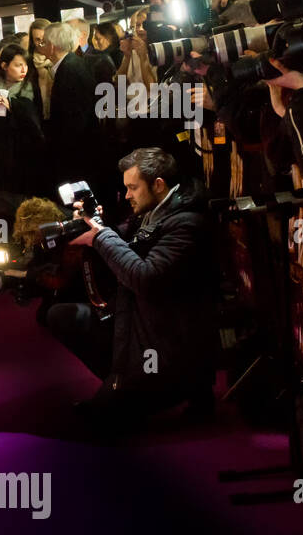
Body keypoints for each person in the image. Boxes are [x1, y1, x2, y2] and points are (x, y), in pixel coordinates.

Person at [56, 147, 217, 420]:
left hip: (167, 344)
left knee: (95, 426)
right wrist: (97, 225)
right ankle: (127, 384)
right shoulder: (154, 209)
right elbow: (128, 245)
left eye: (132, 187)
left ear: (158, 184)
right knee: (61, 315)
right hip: (138, 326)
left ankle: (170, 388)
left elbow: (145, 278)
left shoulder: (187, 222)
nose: (127, 195)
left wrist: (101, 237)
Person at [0, 44, 48, 226]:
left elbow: (36, 126)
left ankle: (27, 248)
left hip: (23, 160)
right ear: (4, 66)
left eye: (25, 65)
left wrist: (14, 106)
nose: (23, 69)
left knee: (25, 213)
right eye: (18, 65)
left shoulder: (30, 88)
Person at [44, 21, 102, 192]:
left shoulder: (69, 69)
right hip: (82, 147)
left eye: (44, 43)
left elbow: (74, 116)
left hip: (79, 151)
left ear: (52, 46)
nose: (42, 47)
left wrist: (64, 152)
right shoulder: (71, 64)